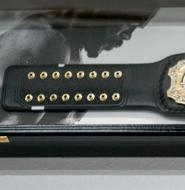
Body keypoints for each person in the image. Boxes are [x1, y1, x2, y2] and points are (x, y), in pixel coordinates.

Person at [0, 7, 155, 125]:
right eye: (130, 24)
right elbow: (15, 131)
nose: (127, 36)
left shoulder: (63, 47)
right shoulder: (48, 40)